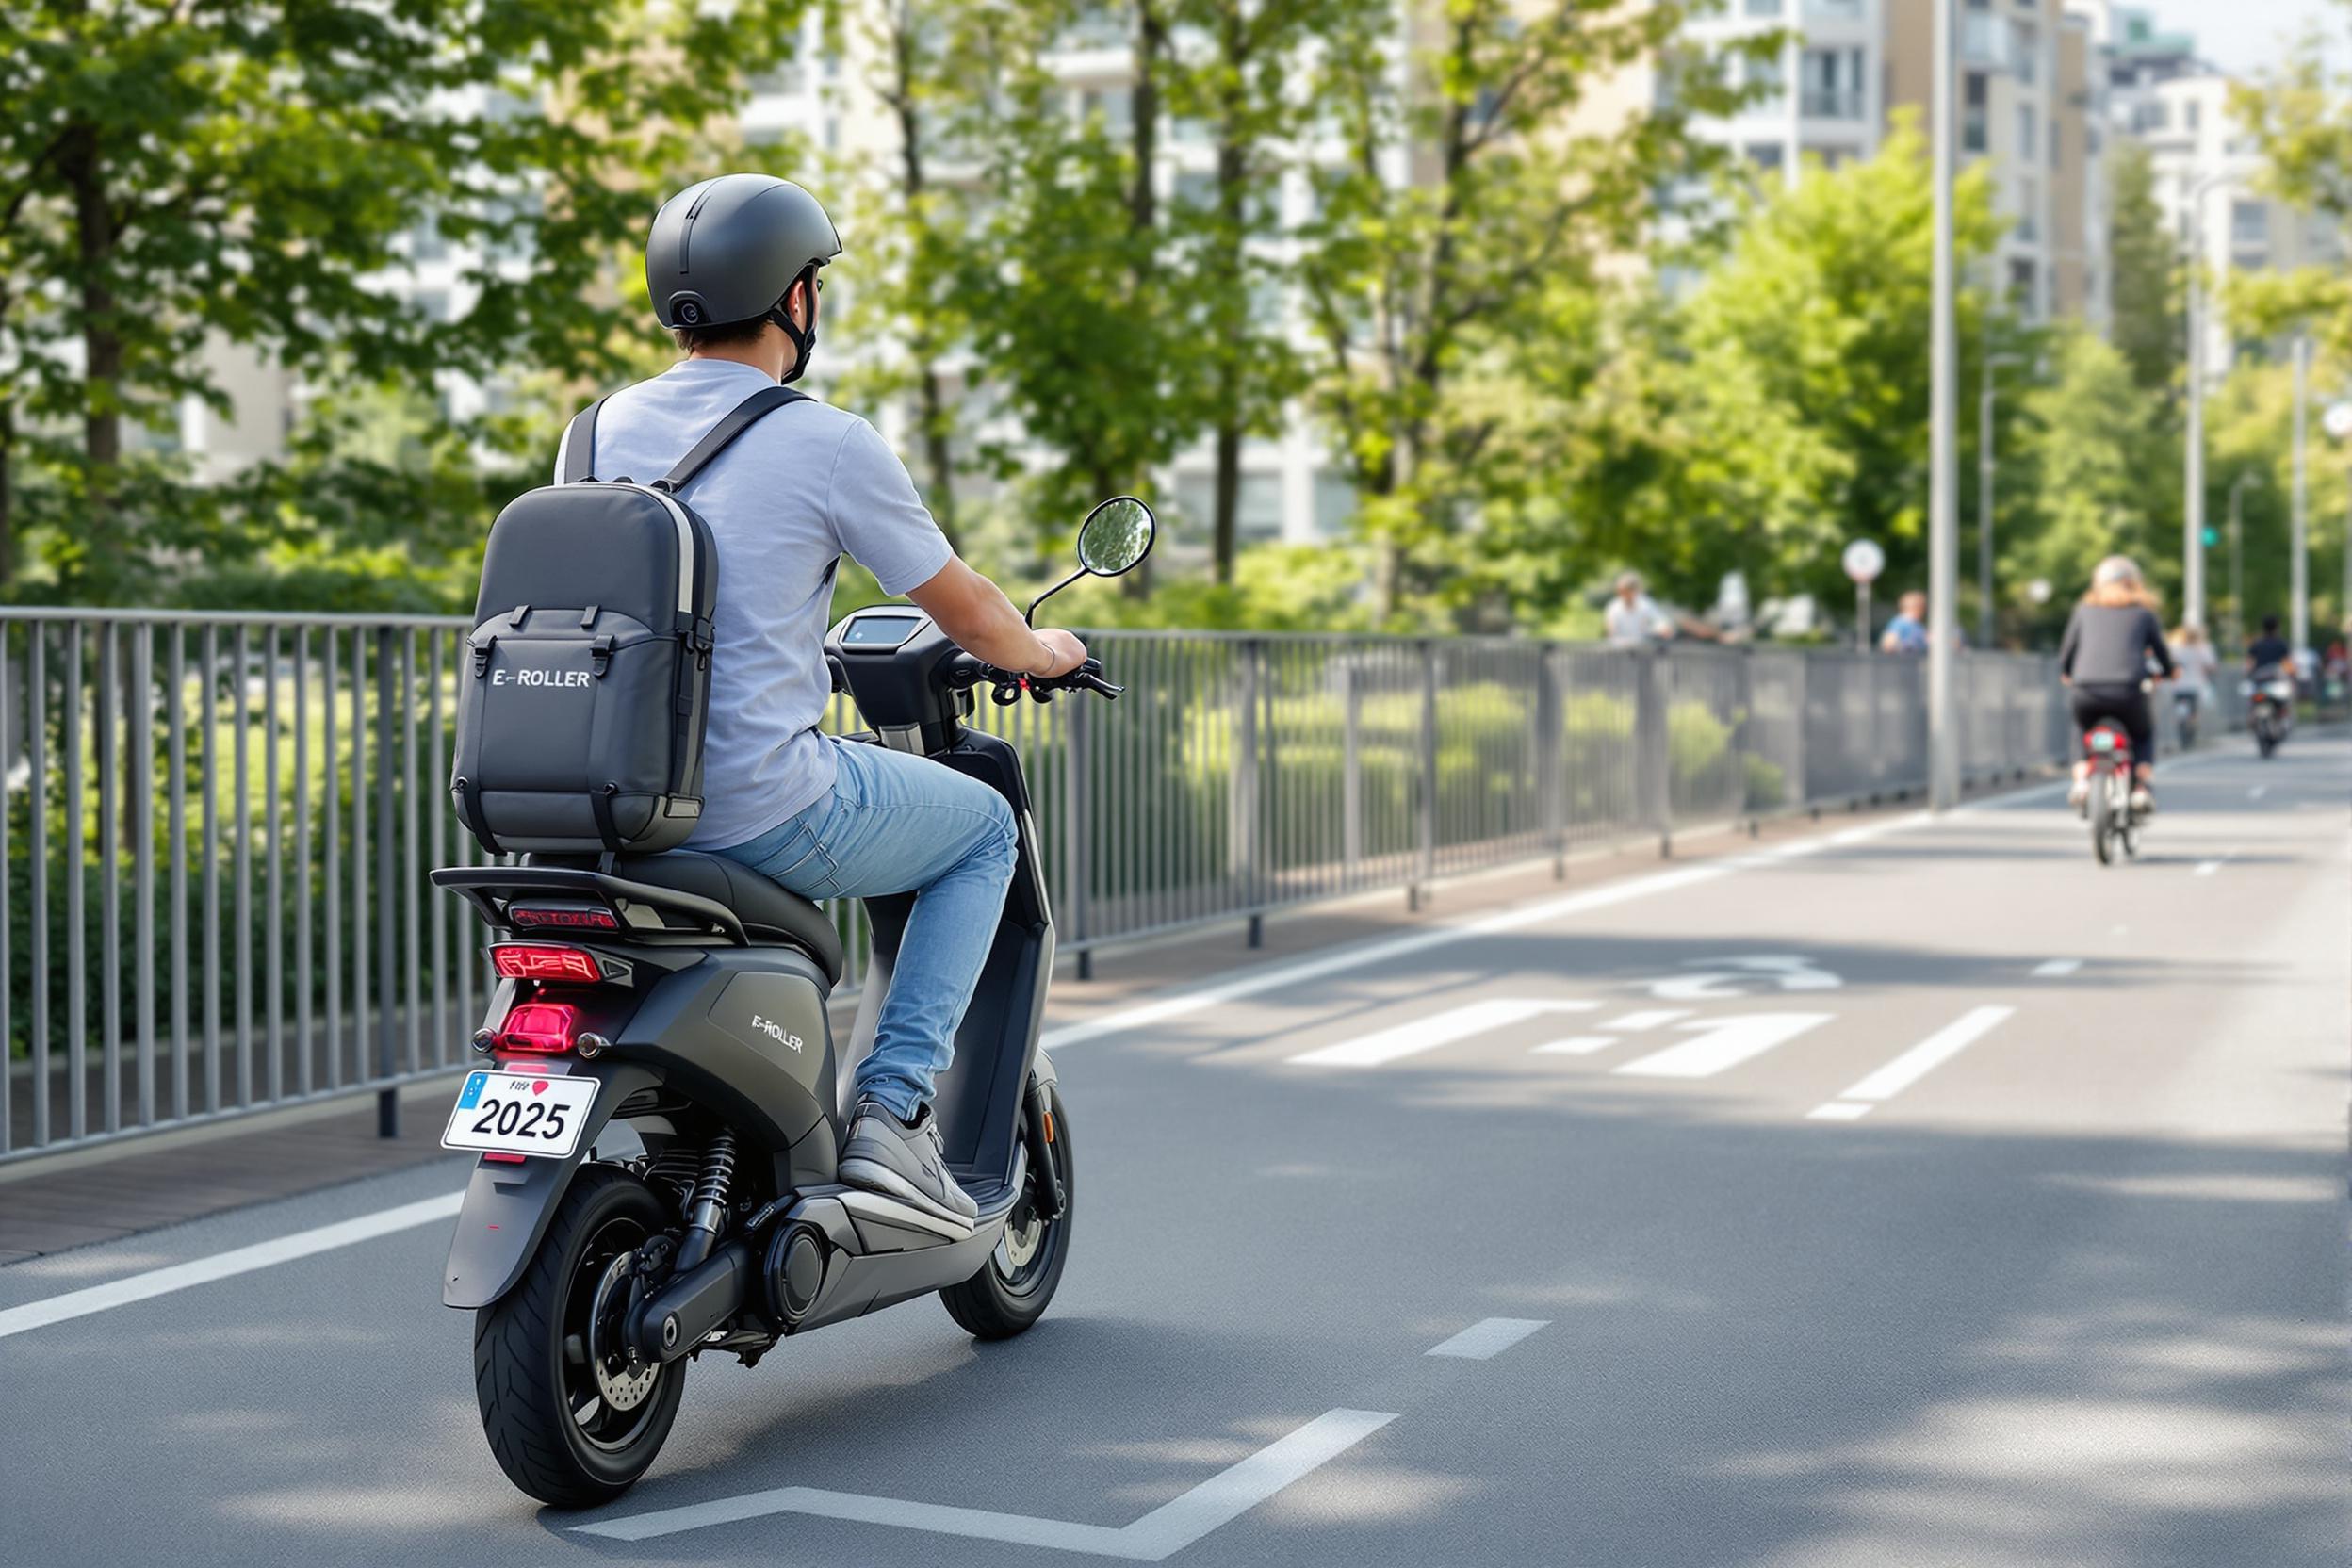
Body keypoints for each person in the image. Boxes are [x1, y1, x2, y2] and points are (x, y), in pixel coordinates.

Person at [570, 173, 1089, 1233]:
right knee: (984, 828)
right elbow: (965, 606)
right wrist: (1044, 651)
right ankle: (896, 1111)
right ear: (794, 297)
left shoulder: (592, 433)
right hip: (756, 807)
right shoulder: (825, 440)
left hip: (605, 807)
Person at [2058, 556, 2174, 814]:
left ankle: (2080, 781)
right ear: (2135, 583)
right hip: (2129, 690)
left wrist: (2067, 673)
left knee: (2080, 730)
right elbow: (2161, 653)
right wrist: (2167, 672)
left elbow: (2067, 653)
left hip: (2086, 689)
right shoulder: (2143, 614)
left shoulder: (2083, 611)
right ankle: (2142, 788)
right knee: (2143, 735)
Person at [2166, 622, 2216, 735]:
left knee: (2179, 709)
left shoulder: (2175, 648)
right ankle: (2192, 725)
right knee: (2193, 712)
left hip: (2178, 685)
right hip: (2195, 685)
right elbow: (2211, 665)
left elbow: (2169, 663)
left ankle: (2181, 724)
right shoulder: (2201, 648)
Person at [1605, 572, 1674, 647]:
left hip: (1643, 646)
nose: (1622, 594)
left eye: (1625, 591)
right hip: (1621, 647)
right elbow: (1611, 629)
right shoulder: (1614, 607)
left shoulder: (1645, 604)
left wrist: (1663, 628)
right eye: (1620, 592)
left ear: (1634, 591)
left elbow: (1660, 620)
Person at [1879, 591, 1929, 655]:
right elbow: (1889, 643)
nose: (1924, 611)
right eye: (1922, 608)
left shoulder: (1918, 625)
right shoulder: (1900, 623)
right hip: (1904, 658)